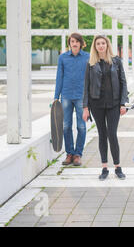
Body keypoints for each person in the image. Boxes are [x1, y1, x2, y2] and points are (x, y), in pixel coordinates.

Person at [82, 35, 129, 180]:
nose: (101, 46)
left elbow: (123, 83)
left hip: (114, 104)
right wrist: (85, 107)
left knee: (112, 134)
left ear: (107, 45)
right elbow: (86, 86)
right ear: (95, 47)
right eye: (98, 44)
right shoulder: (90, 64)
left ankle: (117, 167)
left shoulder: (116, 61)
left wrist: (123, 103)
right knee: (102, 134)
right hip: (96, 104)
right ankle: (104, 168)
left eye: (103, 43)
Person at [54, 33, 90, 167]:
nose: (74, 43)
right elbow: (59, 77)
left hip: (81, 96)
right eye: (72, 41)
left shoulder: (87, 57)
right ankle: (69, 153)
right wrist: (55, 97)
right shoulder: (62, 58)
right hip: (66, 95)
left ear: (81, 43)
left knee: (81, 126)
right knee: (66, 126)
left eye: (76, 41)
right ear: (69, 43)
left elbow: (91, 78)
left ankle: (78, 154)